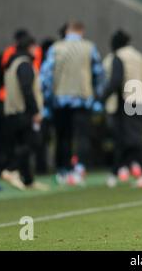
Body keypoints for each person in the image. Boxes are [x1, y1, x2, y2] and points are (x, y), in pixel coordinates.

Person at [40, 21, 104, 185]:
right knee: (82, 136)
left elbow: (46, 76)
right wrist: (98, 96)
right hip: (83, 98)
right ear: (81, 31)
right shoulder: (89, 47)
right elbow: (99, 74)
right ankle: (79, 168)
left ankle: (63, 169)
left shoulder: (56, 47)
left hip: (60, 98)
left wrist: (47, 99)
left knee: (62, 136)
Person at [101, 30, 142, 188]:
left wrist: (101, 98)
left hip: (127, 102)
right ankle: (117, 173)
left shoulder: (117, 57)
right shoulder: (139, 56)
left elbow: (115, 81)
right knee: (127, 140)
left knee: (132, 140)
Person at [1, 35, 48, 191]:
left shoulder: (12, 63)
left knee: (23, 144)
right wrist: (34, 111)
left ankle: (27, 179)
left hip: (13, 111)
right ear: (30, 47)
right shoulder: (24, 65)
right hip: (24, 111)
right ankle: (11, 169)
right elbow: (27, 89)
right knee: (33, 142)